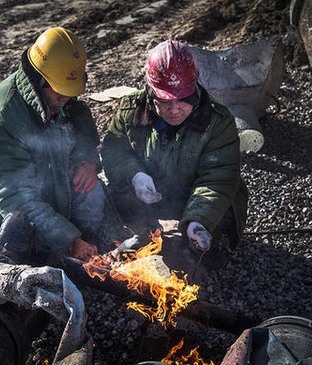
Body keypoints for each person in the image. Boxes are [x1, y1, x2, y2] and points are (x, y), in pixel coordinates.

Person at [0, 27, 104, 265]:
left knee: (93, 191)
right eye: (60, 94)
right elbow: (15, 200)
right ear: (39, 79)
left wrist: (88, 162)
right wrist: (69, 239)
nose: (64, 100)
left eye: (68, 93)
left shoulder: (55, 93)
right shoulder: (1, 122)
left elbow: (80, 121)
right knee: (20, 267)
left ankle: (80, 243)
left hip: (45, 192)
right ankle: (64, 248)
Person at [101, 40, 248, 266]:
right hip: (153, 193)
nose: (174, 109)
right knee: (109, 199)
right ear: (150, 91)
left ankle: (195, 234)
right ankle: (148, 233)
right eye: (165, 100)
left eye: (184, 99)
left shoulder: (217, 121)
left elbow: (219, 177)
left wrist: (199, 219)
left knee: (216, 229)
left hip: (193, 196)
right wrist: (135, 176)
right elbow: (114, 150)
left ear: (195, 88)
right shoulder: (131, 110)